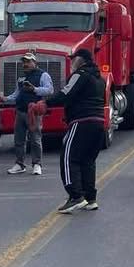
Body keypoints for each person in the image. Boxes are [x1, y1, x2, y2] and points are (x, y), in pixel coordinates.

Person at [45, 48, 107, 213]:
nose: (71, 61)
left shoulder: (80, 74)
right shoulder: (99, 79)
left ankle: (75, 196)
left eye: (74, 58)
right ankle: (90, 198)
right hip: (99, 123)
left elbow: (66, 93)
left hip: (81, 122)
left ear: (83, 60)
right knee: (88, 161)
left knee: (68, 157)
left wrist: (45, 104)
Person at [3, 52, 53, 175]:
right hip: (20, 112)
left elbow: (49, 90)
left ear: (35, 63)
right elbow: (17, 94)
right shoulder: (21, 77)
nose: (25, 64)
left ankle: (37, 164)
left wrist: (34, 89)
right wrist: (6, 99)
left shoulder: (43, 75)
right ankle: (19, 164)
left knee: (35, 139)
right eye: (24, 62)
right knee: (18, 139)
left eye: (28, 61)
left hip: (34, 113)